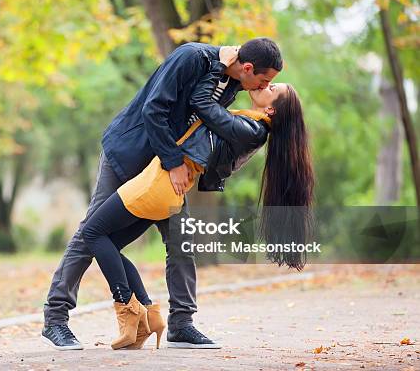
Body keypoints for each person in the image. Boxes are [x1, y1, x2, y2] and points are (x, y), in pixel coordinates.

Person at [42, 38, 283, 350]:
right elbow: (153, 109)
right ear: (248, 68)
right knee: (90, 234)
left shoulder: (233, 83)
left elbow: (203, 120)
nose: (263, 87)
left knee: (181, 240)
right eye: (264, 80)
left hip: (166, 171)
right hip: (131, 155)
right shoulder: (192, 58)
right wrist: (173, 163)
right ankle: (55, 319)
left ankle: (181, 324)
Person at [81, 83, 315, 349]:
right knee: (110, 244)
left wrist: (223, 76)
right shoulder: (251, 124)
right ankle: (149, 314)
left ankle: (129, 310)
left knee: (92, 232)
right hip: (166, 187)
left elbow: (204, 105)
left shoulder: (250, 130)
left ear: (271, 108)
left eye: (272, 88)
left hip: (158, 183)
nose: (266, 85)